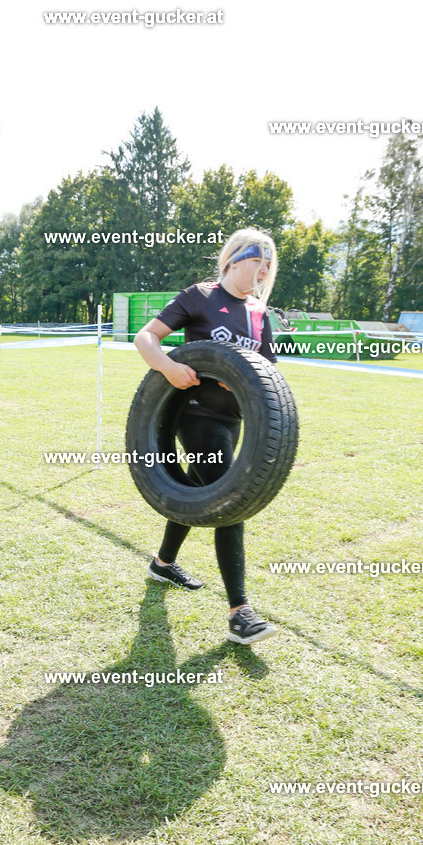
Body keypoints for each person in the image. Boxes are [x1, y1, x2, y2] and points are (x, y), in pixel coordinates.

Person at [133, 227, 279, 645]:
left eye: (268, 266)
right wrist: (167, 366)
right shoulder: (200, 296)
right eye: (258, 262)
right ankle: (240, 612)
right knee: (231, 500)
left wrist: (248, 382)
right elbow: (147, 337)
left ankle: (163, 564)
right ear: (233, 259)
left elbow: (269, 371)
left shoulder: (259, 313)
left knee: (197, 492)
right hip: (195, 413)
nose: (263, 272)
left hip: (233, 419)